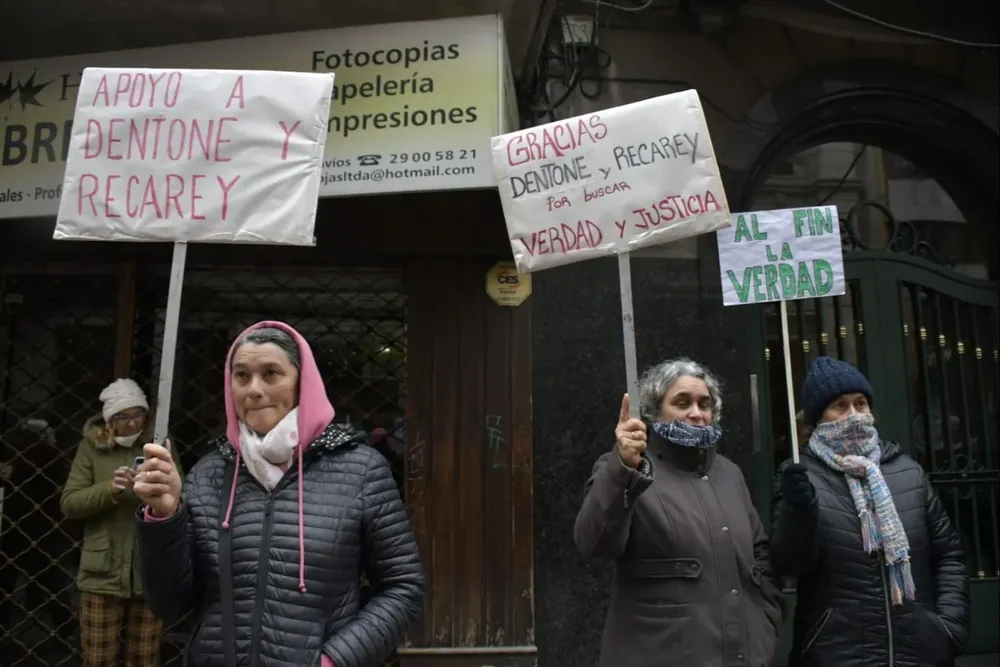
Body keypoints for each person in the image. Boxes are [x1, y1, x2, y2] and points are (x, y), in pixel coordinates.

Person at [132, 321, 425, 667]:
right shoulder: (208, 474)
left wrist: (334, 661)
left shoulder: (360, 470)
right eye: (241, 376)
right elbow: (169, 604)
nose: (254, 389)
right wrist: (165, 517)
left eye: (271, 374)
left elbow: (403, 588)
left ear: (303, 384)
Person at [574, 357, 783, 667]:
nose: (696, 413)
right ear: (657, 411)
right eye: (682, 402)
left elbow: (758, 555)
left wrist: (766, 620)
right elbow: (594, 542)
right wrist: (623, 469)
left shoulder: (729, 473)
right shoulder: (627, 467)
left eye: (705, 404)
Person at [770, 356, 969, 667]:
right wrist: (800, 510)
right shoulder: (801, 475)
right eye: (840, 406)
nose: (854, 415)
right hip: (839, 655)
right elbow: (790, 564)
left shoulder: (909, 472)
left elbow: (948, 556)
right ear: (818, 418)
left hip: (919, 653)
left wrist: (949, 627)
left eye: (860, 403)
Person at [61, 379, 178, 667]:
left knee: (144, 659)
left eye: (137, 415)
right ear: (109, 419)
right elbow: (70, 504)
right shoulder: (91, 449)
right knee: (99, 658)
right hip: (102, 572)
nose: (131, 423)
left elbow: (179, 500)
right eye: (123, 417)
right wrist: (109, 489)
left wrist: (155, 492)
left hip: (148, 570)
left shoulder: (160, 445)